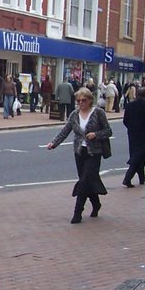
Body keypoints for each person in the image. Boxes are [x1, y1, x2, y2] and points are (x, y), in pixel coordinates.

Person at [46, 87, 112, 224]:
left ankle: (77, 213)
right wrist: (54, 143)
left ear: (90, 100)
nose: (81, 103)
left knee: (83, 182)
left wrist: (96, 134)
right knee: (87, 180)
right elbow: (65, 131)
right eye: (78, 101)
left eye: (84, 100)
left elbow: (108, 131)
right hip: (79, 152)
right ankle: (96, 203)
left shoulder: (98, 113)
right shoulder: (74, 114)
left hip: (94, 152)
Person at [122, 86, 145, 187]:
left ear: (137, 94)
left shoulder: (129, 106)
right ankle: (127, 178)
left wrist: (131, 128)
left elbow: (125, 121)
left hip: (132, 134)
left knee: (135, 154)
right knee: (139, 157)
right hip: (144, 134)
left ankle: (142, 177)